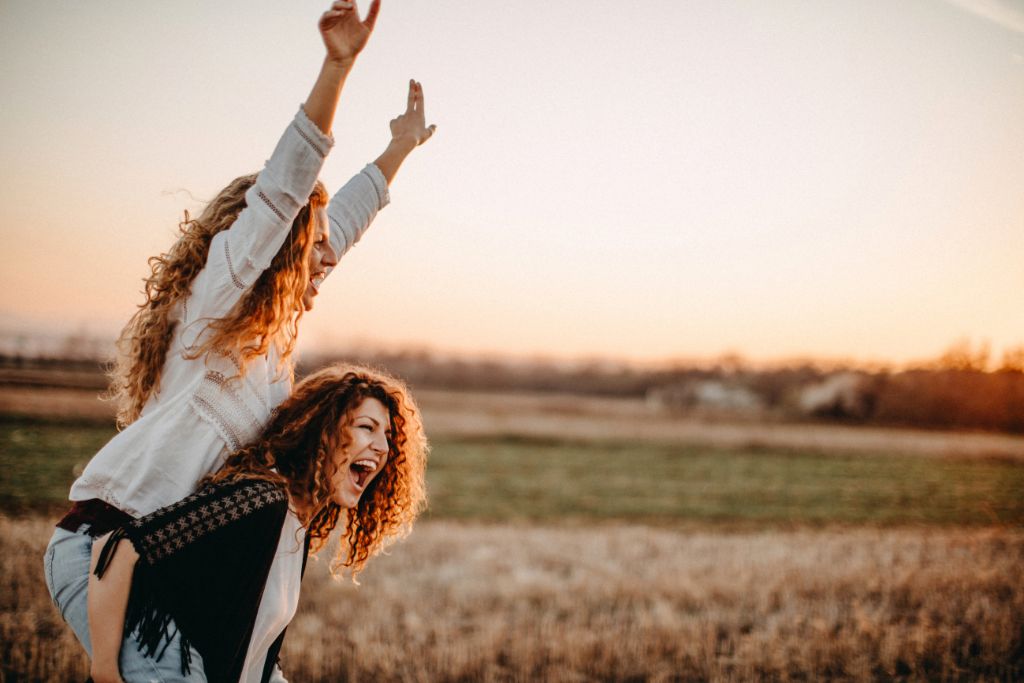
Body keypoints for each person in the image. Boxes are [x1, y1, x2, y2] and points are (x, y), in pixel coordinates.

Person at [43, 1, 435, 680]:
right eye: (312, 252)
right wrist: (336, 68)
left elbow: (340, 221)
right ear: (277, 251)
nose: (326, 261)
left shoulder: (275, 347)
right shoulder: (213, 308)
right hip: (104, 545)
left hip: (167, 564)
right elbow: (285, 191)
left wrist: (398, 149)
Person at [86, 364, 428, 683]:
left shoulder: (298, 525)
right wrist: (105, 671)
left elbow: (257, 652)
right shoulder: (263, 500)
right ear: (319, 429)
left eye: (387, 435)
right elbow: (119, 547)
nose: (382, 447)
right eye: (366, 427)